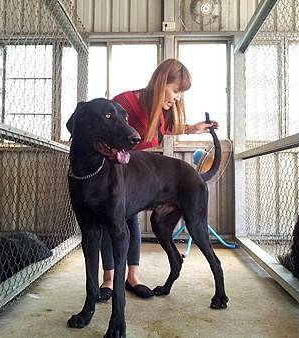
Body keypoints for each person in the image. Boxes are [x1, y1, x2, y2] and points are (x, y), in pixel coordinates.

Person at [98, 58, 219, 301]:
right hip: (111, 168)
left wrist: (195, 128)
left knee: (130, 218)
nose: (177, 98)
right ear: (161, 82)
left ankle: (132, 277)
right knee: (107, 222)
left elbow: (168, 128)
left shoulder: (162, 114)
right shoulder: (126, 101)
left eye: (180, 93)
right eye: (175, 90)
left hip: (132, 171)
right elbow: (106, 128)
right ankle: (108, 281)